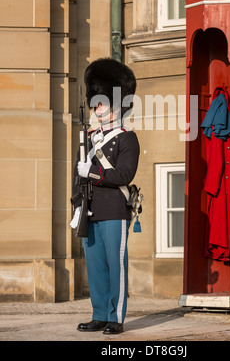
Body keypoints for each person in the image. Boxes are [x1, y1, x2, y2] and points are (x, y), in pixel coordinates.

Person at [71, 57, 140, 335]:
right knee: (96, 266)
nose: (97, 109)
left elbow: (124, 175)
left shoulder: (127, 138)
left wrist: (95, 173)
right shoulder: (87, 138)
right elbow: (76, 176)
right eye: (95, 104)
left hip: (114, 209)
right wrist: (76, 206)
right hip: (90, 210)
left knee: (115, 266)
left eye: (103, 103)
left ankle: (115, 317)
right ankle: (99, 314)